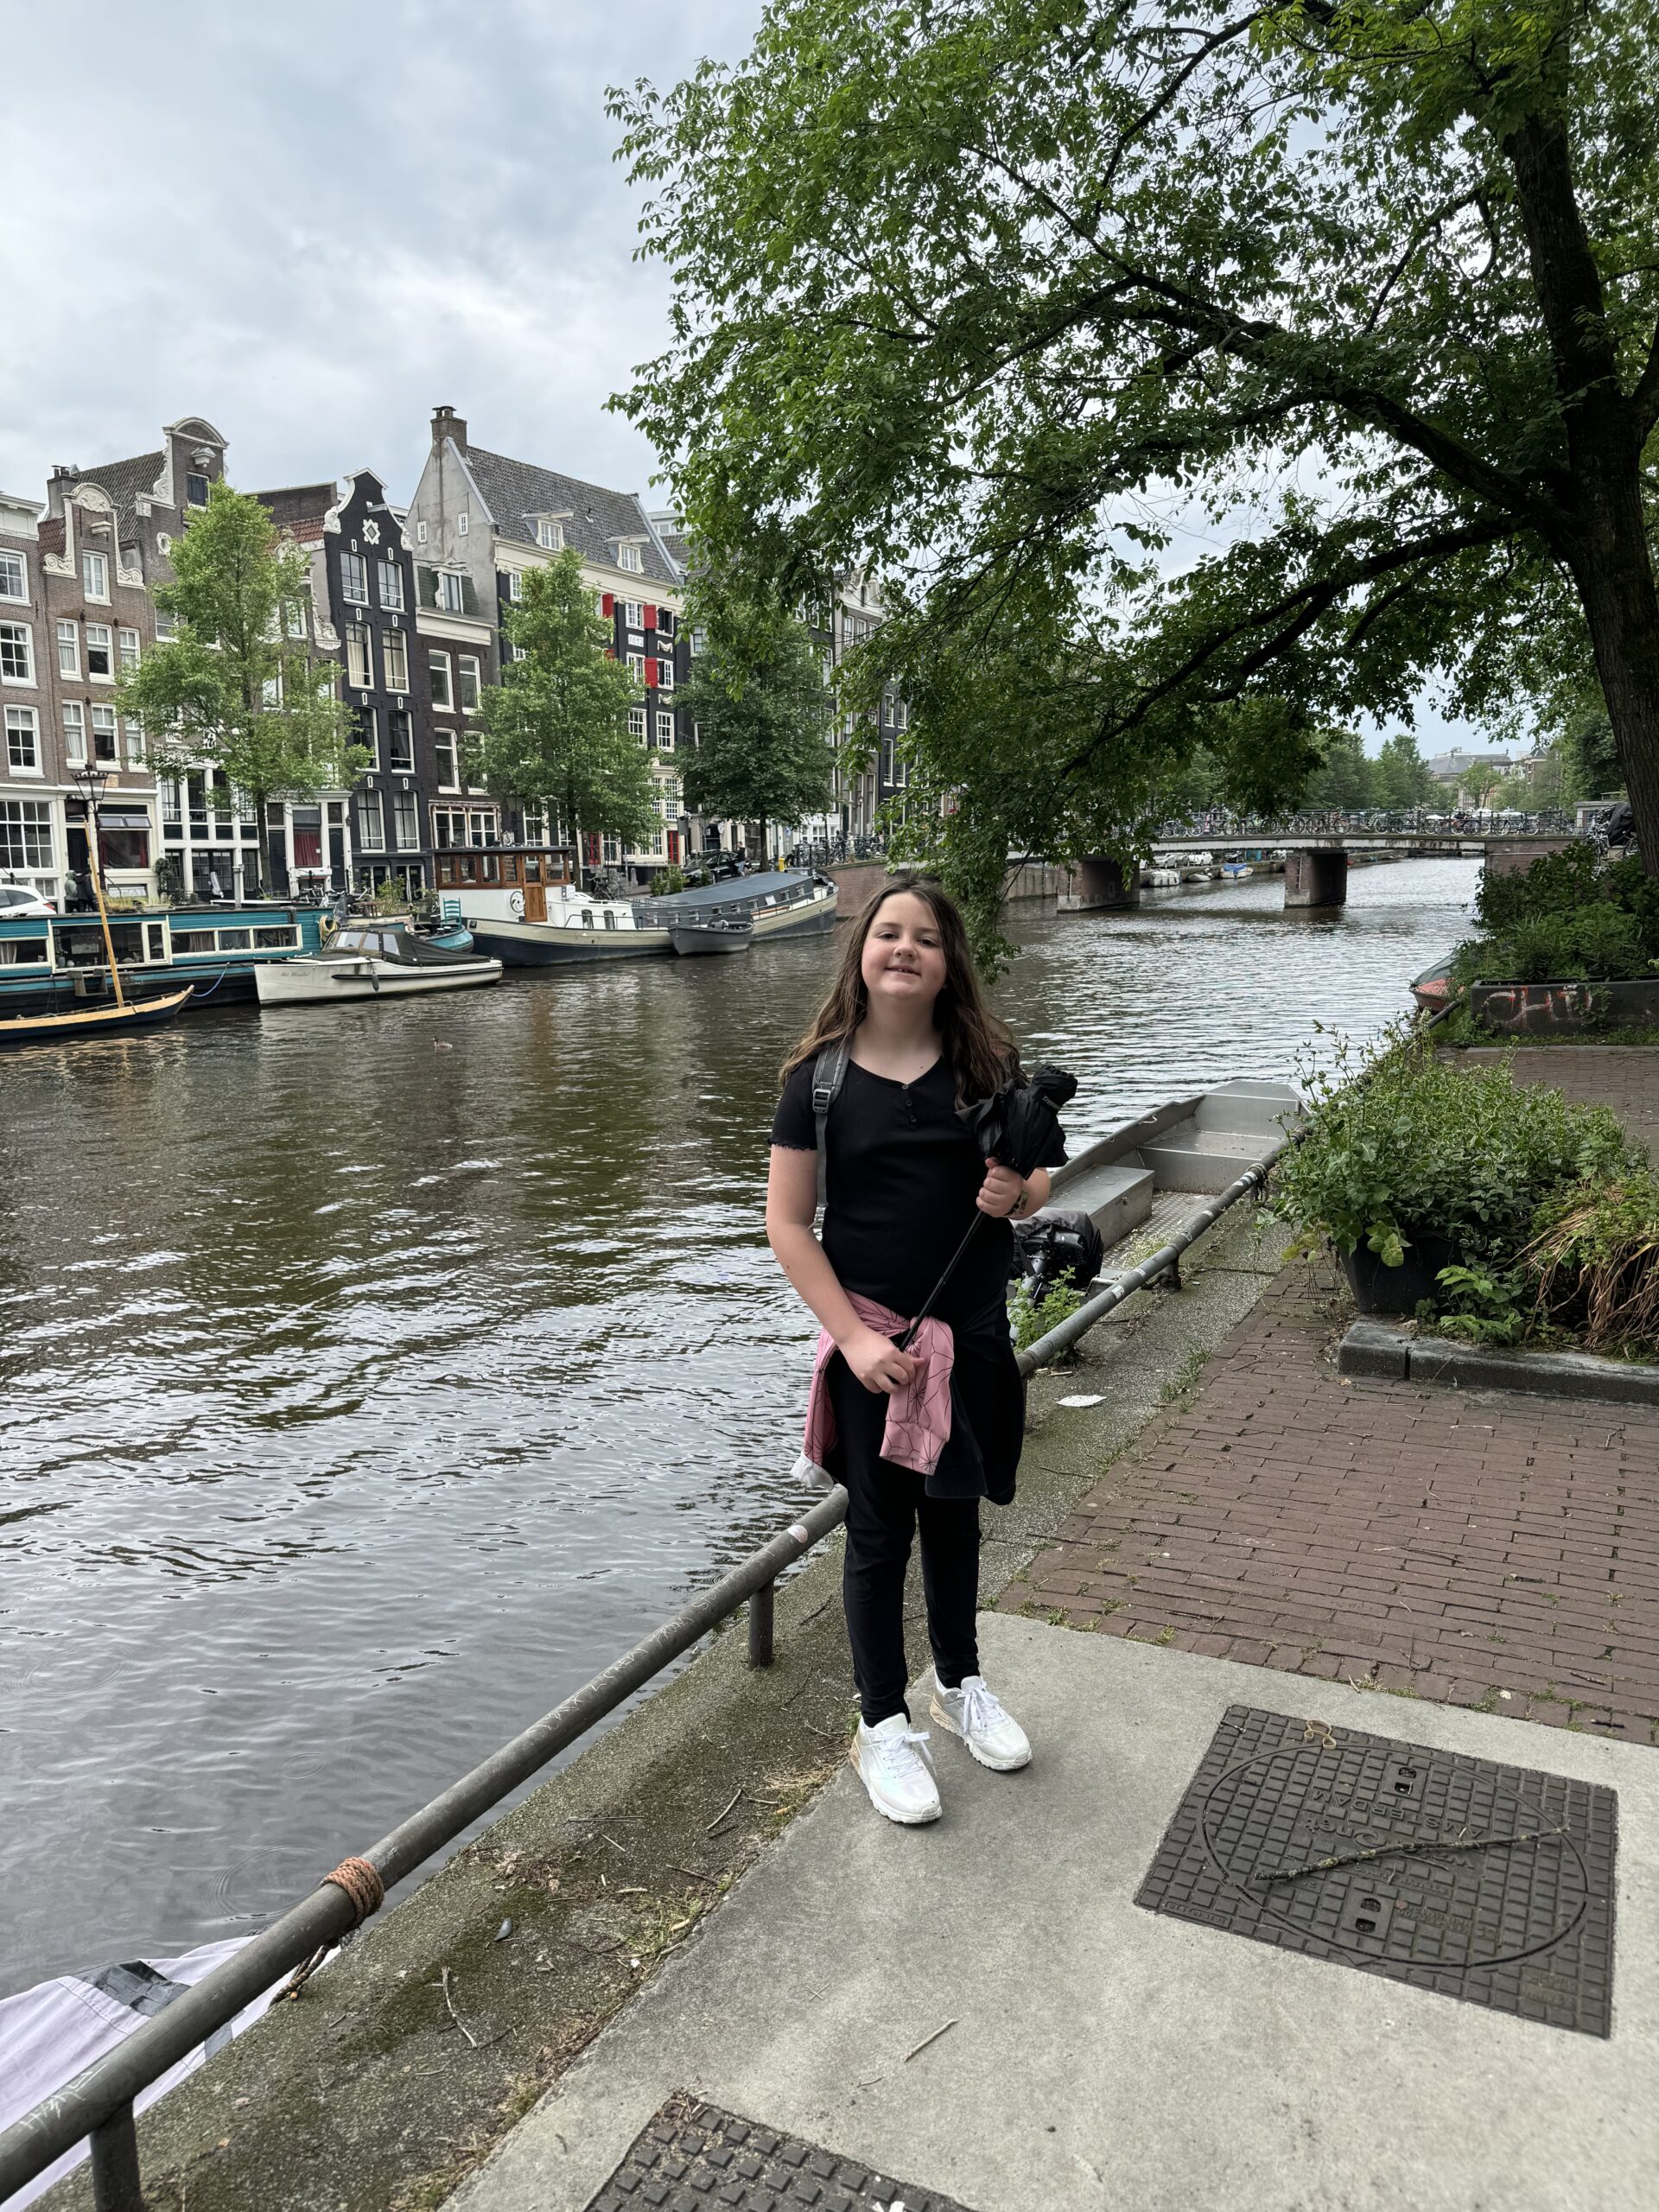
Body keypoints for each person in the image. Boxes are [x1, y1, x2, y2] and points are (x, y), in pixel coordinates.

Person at [766, 874, 1065, 1826]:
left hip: (969, 1336)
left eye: (926, 939)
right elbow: (787, 1222)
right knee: (877, 1532)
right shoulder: (815, 1079)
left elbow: (1043, 1180)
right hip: (875, 1346)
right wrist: (852, 1339)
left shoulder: (987, 1065)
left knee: (957, 1519)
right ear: (861, 952)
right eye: (887, 932)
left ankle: (959, 1681)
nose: (904, 949)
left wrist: (1015, 1194)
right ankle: (881, 1721)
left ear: (950, 964)